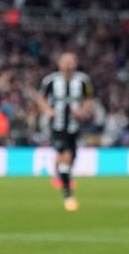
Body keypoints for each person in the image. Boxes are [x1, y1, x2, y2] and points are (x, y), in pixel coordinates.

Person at [37, 52, 94, 212]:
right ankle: (68, 195)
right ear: (59, 63)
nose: (68, 64)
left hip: (75, 125)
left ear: (76, 63)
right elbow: (40, 97)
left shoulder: (83, 80)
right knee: (65, 154)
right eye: (65, 61)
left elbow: (89, 97)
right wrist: (48, 110)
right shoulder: (50, 80)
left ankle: (60, 174)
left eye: (71, 61)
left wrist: (82, 110)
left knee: (71, 157)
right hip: (57, 124)